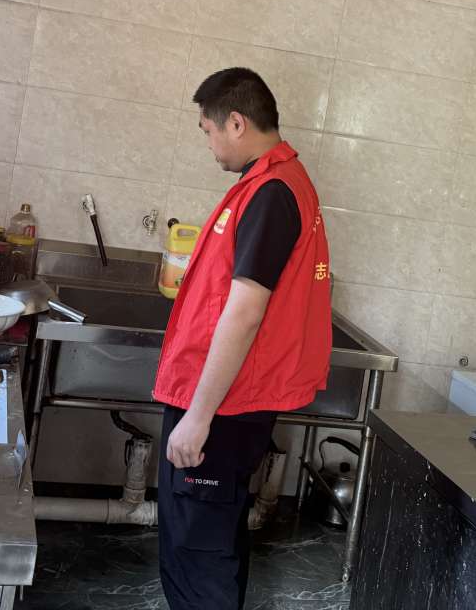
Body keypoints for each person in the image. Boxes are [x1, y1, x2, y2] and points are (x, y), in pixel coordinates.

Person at [154, 67, 332, 609]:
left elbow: (245, 311)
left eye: (208, 131)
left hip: (224, 406)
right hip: (230, 400)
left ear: (235, 122)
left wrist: (198, 417)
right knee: (212, 540)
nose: (209, 144)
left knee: (198, 553)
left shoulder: (273, 192)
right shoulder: (271, 184)